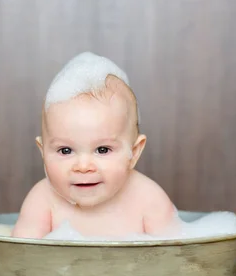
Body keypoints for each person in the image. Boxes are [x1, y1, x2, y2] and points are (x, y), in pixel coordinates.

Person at [11, 52, 180, 239]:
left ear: (134, 152)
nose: (83, 167)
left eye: (102, 150)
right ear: (43, 152)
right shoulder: (42, 200)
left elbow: (175, 258)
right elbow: (20, 257)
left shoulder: (149, 200)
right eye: (65, 150)